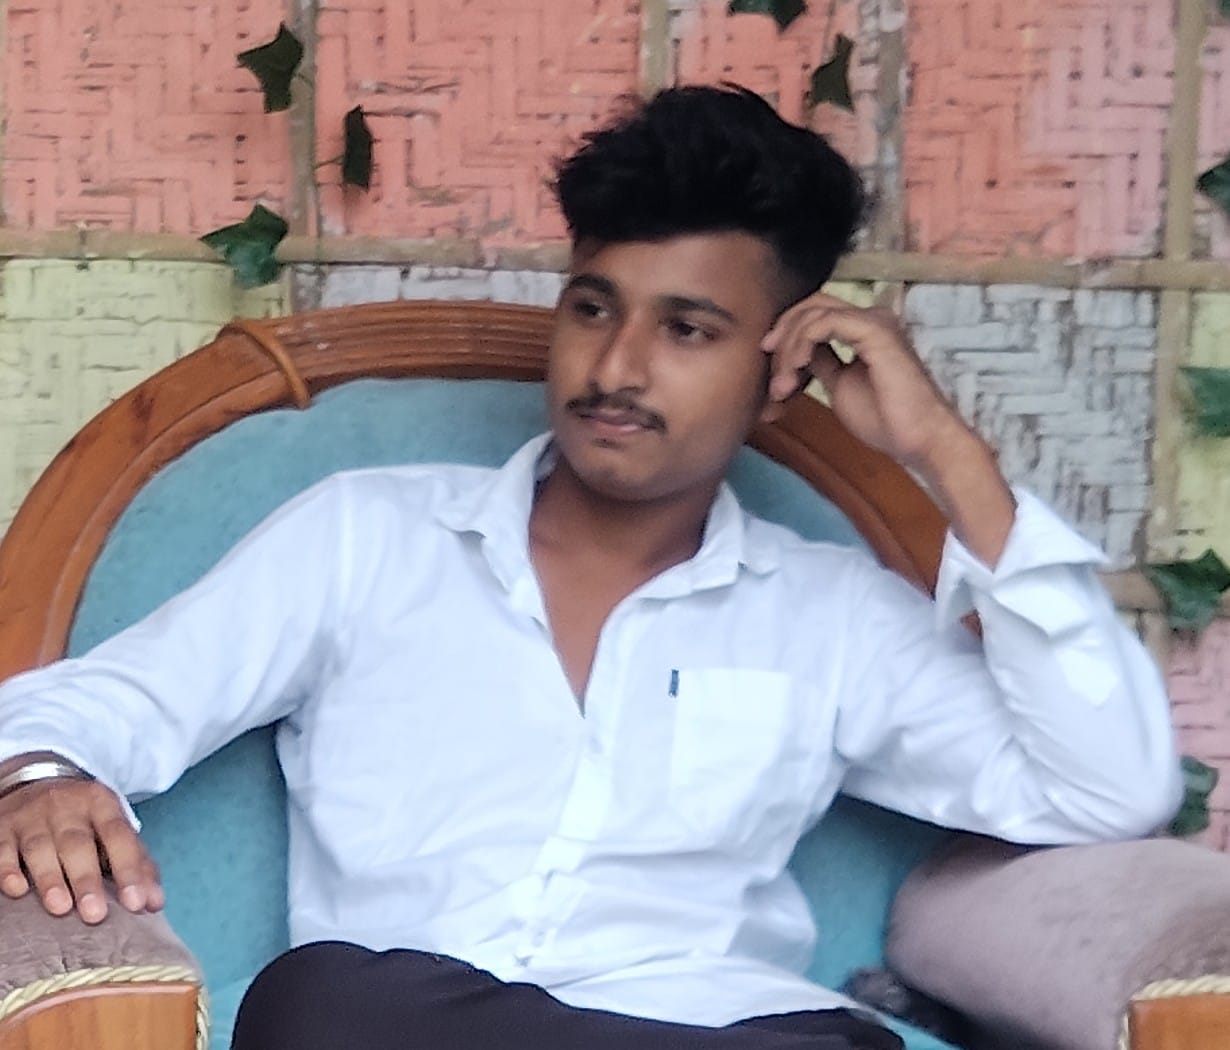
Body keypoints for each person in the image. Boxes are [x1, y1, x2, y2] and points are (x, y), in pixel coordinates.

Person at [0, 86, 1182, 1050]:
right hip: (410, 1023)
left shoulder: (831, 616)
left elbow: (1106, 792)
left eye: (687, 330)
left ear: (782, 366)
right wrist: (44, 775)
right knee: (318, 1005)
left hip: (718, 1025)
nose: (616, 368)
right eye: (593, 308)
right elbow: (106, 702)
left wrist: (949, 460)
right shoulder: (368, 536)